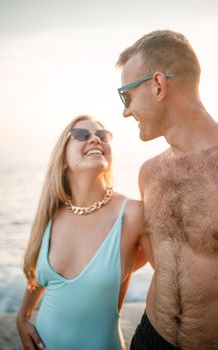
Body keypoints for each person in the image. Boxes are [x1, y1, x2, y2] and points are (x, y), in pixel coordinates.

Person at [116, 30, 218, 350]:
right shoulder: (150, 174)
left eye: (126, 96)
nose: (125, 111)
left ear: (158, 85)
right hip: (150, 338)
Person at [16, 115, 153, 350]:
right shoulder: (50, 214)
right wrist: (22, 317)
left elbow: (169, 276)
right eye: (82, 135)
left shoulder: (132, 214)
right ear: (63, 158)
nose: (95, 139)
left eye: (102, 135)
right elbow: (37, 276)